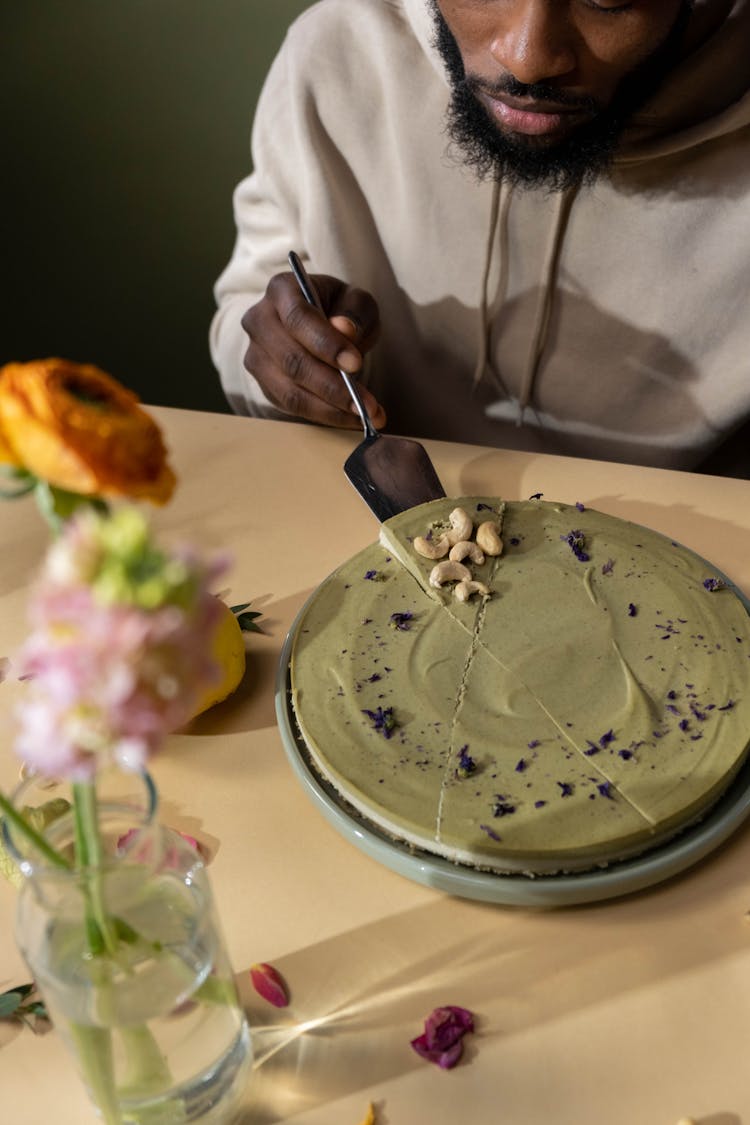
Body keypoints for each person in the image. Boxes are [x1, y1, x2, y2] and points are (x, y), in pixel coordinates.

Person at [210, 0, 750, 476]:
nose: (527, 57)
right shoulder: (336, 50)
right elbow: (245, 317)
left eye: (607, 1)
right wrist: (283, 361)